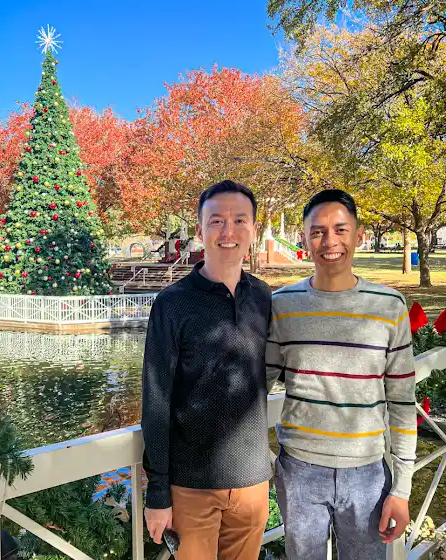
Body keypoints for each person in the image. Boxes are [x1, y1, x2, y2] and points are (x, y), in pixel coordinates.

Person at [266, 189, 417, 560]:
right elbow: (256, 387)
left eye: (340, 229)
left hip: (367, 474)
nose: (329, 241)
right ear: (304, 239)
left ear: (359, 235)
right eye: (317, 232)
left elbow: (402, 403)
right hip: (299, 472)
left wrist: (401, 489)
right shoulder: (282, 305)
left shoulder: (388, 306)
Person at [142, 180, 273, 560]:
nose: (228, 231)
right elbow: (156, 401)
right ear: (200, 230)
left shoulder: (263, 297)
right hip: (191, 486)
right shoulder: (172, 304)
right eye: (216, 221)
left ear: (253, 229)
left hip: (252, 482)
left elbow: (267, 373)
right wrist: (158, 492)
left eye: (239, 220)